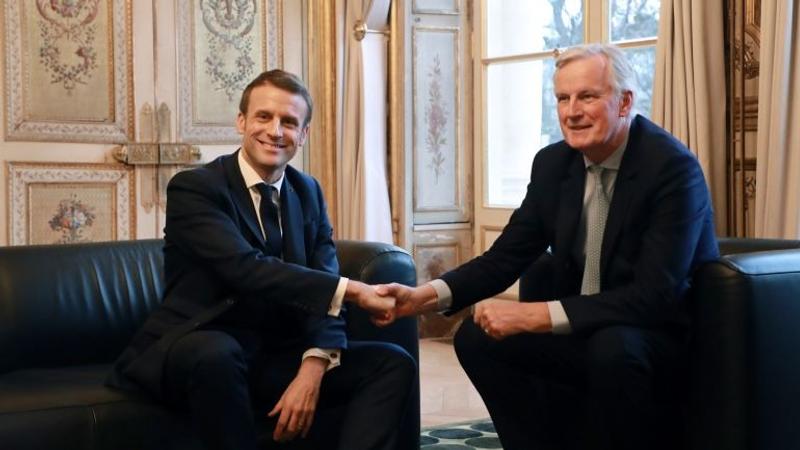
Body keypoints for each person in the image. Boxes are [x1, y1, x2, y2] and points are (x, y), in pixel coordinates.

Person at [377, 43, 719, 450]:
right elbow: (505, 257)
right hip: (587, 326)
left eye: (587, 97)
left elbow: (655, 297)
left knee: (613, 348)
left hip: (656, 335)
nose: (571, 112)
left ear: (624, 101)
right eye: (562, 98)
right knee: (476, 338)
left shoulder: (671, 168)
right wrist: (424, 297)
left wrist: (538, 315)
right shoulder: (553, 164)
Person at [107, 69, 416, 450]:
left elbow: (324, 277)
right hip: (199, 343)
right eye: (264, 117)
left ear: (303, 135)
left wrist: (314, 365)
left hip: (272, 353)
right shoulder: (195, 188)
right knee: (216, 353)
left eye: (289, 122)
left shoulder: (307, 191)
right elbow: (246, 268)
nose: (275, 131)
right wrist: (355, 290)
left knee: (392, 362)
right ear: (242, 122)